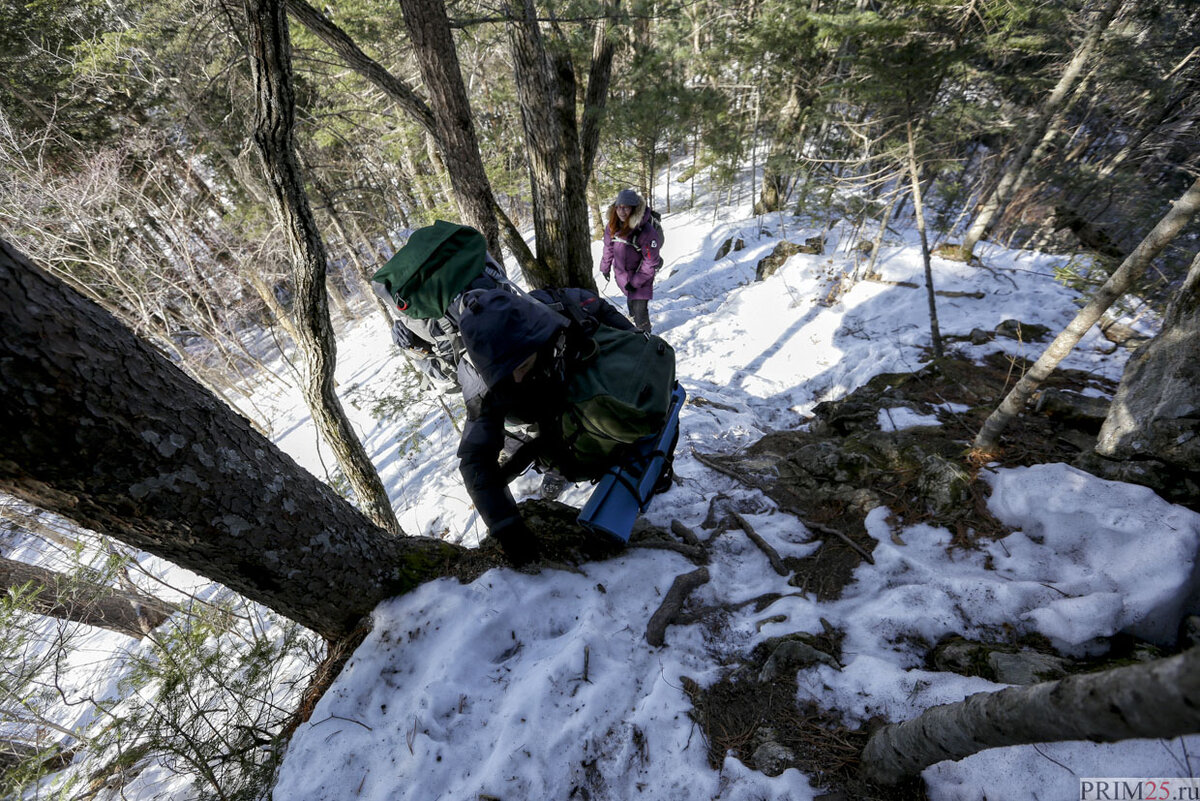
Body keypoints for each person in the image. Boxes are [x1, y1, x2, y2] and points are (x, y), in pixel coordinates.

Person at [455, 286, 636, 566]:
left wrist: (636, 347)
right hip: (542, 419)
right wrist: (508, 530)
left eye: (522, 364)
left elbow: (606, 314)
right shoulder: (479, 381)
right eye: (506, 371)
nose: (516, 376)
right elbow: (475, 458)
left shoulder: (553, 311)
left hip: (584, 390)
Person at [599, 188, 663, 332]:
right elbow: (608, 247)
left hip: (642, 277)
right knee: (631, 304)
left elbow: (650, 262)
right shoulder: (612, 226)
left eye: (626, 208)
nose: (621, 212)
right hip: (623, 276)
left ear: (633, 209)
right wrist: (605, 267)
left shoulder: (646, 231)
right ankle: (634, 318)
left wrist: (636, 282)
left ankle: (645, 337)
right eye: (619, 207)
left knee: (640, 312)